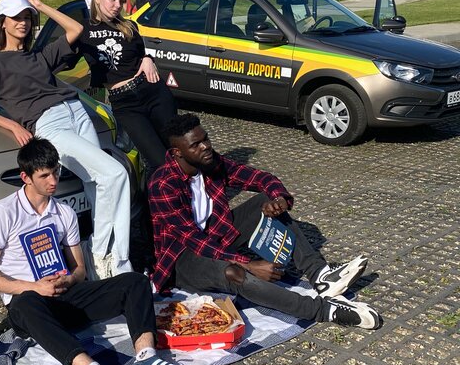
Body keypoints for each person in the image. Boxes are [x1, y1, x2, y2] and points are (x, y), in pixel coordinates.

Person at [0, 138, 201, 365]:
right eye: (44, 176)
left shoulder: (63, 212)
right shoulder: (3, 212)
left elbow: (79, 269)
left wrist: (68, 280)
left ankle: (146, 358)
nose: (53, 181)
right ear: (26, 177)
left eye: (55, 172)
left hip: (63, 296)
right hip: (29, 307)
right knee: (25, 302)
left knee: (135, 281)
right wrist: (34, 287)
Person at [148, 113, 381, 329]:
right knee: (234, 273)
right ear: (177, 152)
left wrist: (278, 198)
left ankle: (320, 275)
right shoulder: (163, 184)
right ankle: (322, 310)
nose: (206, 146)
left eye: (206, 139)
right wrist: (248, 265)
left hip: (216, 236)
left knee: (265, 201)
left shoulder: (209, 162)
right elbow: (194, 240)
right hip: (183, 260)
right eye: (196, 145)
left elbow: (259, 177)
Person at [0, 0, 131, 279]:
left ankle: (112, 265)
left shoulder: (38, 56)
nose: (23, 22)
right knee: (115, 174)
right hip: (49, 123)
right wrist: (15, 126)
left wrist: (40, 4)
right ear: (2, 22)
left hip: (77, 111)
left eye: (27, 18)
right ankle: (101, 254)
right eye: (16, 17)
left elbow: (76, 29)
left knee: (97, 184)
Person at [77, 0, 176, 171]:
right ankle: (169, 188)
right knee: (159, 160)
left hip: (152, 91)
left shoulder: (129, 26)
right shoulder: (83, 30)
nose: (118, 6)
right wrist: (40, 6)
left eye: (122, 1)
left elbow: (140, 55)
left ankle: (197, 187)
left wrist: (148, 58)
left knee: (179, 148)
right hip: (125, 103)